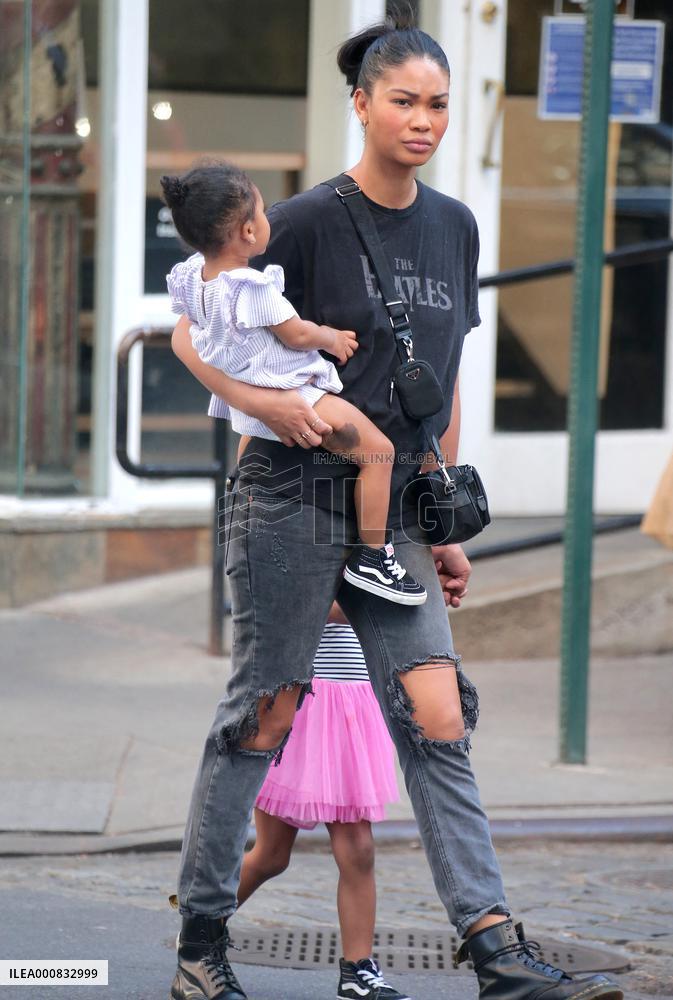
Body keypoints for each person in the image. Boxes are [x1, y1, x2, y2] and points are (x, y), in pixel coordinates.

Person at [169, 10, 624, 1000]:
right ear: (363, 103)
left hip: (395, 511)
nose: (423, 121)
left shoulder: (455, 226)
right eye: (404, 101)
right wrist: (283, 407)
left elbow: (443, 383)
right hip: (288, 495)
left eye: (438, 106)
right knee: (265, 712)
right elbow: (197, 342)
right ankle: (201, 946)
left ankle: (495, 947)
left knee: (436, 717)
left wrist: (434, 517)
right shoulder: (295, 223)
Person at [162, 164, 426, 606]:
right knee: (380, 453)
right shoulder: (253, 287)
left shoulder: (193, 277)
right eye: (263, 212)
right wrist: (332, 337)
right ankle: (374, 555)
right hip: (295, 393)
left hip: (245, 404)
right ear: (248, 231)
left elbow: (188, 329)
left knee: (256, 457)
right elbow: (297, 334)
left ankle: (244, 494)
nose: (269, 220)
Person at [238, 599, 408, 1000]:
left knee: (359, 848)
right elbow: (311, 603)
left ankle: (357, 970)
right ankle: (201, 929)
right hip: (300, 706)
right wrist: (382, 594)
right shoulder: (311, 538)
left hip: (355, 706)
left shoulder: (377, 542)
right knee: (272, 856)